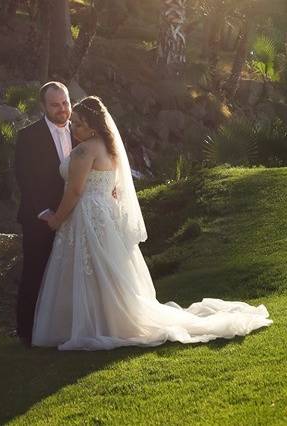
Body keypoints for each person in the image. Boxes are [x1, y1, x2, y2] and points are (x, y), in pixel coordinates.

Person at [31, 96, 272, 350]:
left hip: (87, 214)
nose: (73, 127)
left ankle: (89, 325)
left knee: (91, 270)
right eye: (73, 123)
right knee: (106, 272)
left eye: (78, 123)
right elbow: (111, 186)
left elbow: (76, 191)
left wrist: (56, 219)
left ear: (92, 125)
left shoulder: (83, 150)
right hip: (105, 215)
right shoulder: (108, 147)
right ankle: (106, 321)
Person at [14, 81, 74, 346]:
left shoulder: (82, 132)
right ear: (43, 106)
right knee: (35, 272)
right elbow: (24, 178)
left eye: (65, 103)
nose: (62, 109)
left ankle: (65, 327)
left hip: (74, 217)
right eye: (55, 105)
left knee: (69, 273)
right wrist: (45, 212)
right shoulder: (28, 136)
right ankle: (27, 333)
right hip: (40, 218)